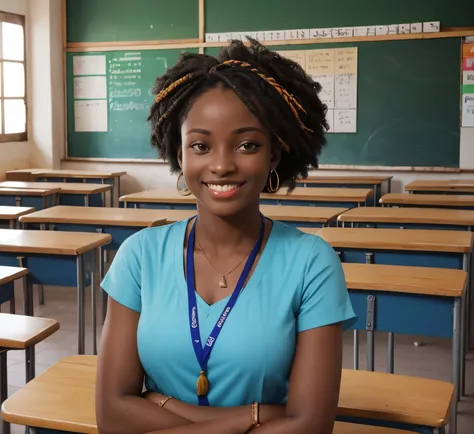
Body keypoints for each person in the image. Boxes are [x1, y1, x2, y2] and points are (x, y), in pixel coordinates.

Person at [96, 39, 356, 434]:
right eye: (200, 145)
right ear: (179, 155)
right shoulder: (138, 256)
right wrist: (255, 416)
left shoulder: (312, 263)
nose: (221, 165)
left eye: (247, 145)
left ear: (274, 153)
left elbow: (310, 427)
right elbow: (113, 417)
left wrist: (160, 405)